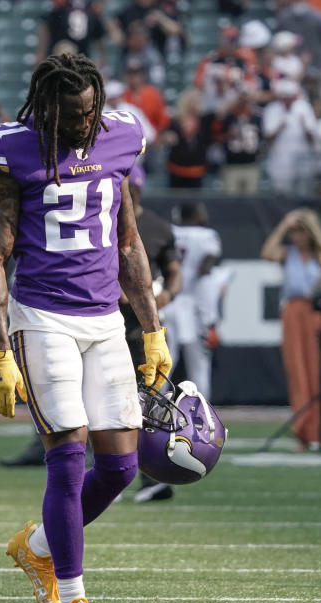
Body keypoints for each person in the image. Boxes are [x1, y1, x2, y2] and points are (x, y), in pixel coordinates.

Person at [0, 53, 170, 603]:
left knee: (121, 466)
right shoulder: (11, 151)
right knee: (68, 456)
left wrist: (152, 328)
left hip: (106, 318)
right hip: (42, 317)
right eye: (71, 114)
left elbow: (128, 243)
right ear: (46, 109)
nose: (84, 122)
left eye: (90, 111)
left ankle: (37, 545)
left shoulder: (119, 137)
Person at [120, 164, 182, 503]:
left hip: (144, 327)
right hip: (106, 322)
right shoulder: (100, 218)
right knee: (105, 403)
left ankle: (155, 476)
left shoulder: (157, 227)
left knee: (151, 405)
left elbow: (174, 273)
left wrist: (166, 295)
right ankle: (107, 472)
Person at [260, 208, 321, 449]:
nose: (297, 237)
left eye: (301, 232)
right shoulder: (289, 254)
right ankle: (304, 432)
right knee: (297, 371)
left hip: (316, 313)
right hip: (293, 313)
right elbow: (266, 253)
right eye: (294, 232)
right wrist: (284, 224)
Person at [169, 202, 221, 399]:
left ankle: (153, 413)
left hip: (170, 300)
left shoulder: (170, 231)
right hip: (192, 304)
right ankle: (202, 413)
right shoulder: (207, 236)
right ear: (196, 214)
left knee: (164, 362)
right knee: (199, 364)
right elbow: (205, 270)